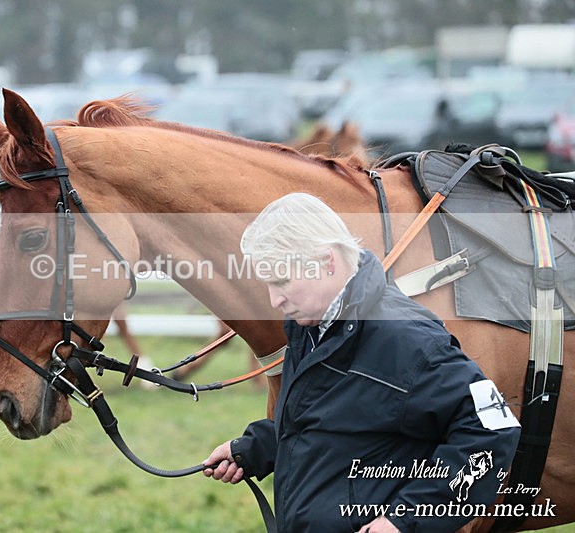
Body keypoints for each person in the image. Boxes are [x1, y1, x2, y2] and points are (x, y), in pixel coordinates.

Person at [203, 193, 521, 532]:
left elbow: (494, 432)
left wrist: (404, 520)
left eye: (282, 282)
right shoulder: (310, 326)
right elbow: (332, 420)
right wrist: (257, 447)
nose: (274, 299)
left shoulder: (408, 340)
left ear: (327, 262)